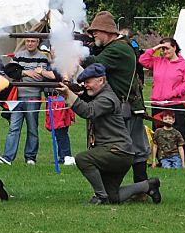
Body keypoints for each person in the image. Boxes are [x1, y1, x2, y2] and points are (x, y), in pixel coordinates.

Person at [58, 63, 161, 205]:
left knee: (82, 159)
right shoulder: (102, 95)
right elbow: (89, 105)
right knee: (113, 196)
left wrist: (69, 95)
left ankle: (100, 197)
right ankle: (148, 185)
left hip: (117, 151)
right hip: (118, 151)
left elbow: (88, 111)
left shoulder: (107, 98)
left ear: (100, 80)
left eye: (88, 82)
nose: (85, 85)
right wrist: (75, 94)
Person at [83, 11, 150, 186]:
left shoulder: (117, 48)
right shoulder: (116, 46)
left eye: (96, 31)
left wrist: (77, 52)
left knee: (133, 148)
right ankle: (138, 187)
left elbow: (94, 65)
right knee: (123, 147)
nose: (93, 34)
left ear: (107, 31)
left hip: (125, 106)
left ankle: (142, 187)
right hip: (120, 105)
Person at [2, 37, 54, 165]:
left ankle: (30, 157)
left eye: (33, 41)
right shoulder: (18, 55)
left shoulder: (42, 57)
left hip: (33, 97)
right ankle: (7, 157)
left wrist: (20, 72)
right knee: (14, 128)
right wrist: (26, 73)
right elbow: (9, 71)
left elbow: (40, 77)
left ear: (37, 42)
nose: (30, 43)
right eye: (27, 41)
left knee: (32, 128)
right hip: (17, 97)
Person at [139, 37, 185, 143]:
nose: (164, 51)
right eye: (162, 49)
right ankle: (160, 159)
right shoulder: (157, 62)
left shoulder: (184, 65)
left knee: (178, 136)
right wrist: (155, 48)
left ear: (174, 47)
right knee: (158, 136)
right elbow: (142, 60)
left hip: (175, 105)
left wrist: (173, 93)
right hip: (158, 105)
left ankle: (179, 159)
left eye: (167, 48)